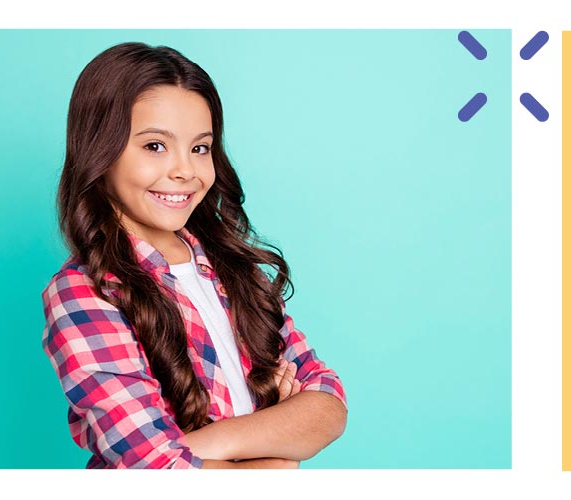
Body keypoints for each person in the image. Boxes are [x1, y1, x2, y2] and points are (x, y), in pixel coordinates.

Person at [42, 42, 346, 469]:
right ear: (99, 151)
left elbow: (328, 403)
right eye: (154, 146)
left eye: (200, 148)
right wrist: (277, 460)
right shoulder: (83, 292)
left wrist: (203, 446)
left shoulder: (235, 269)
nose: (184, 170)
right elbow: (158, 466)